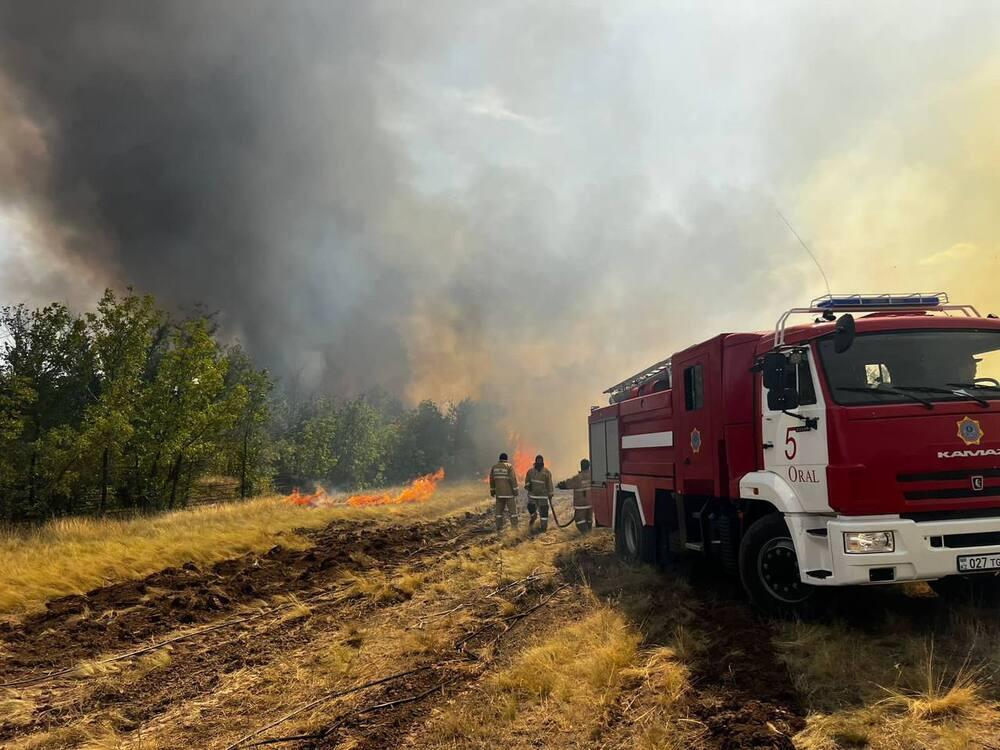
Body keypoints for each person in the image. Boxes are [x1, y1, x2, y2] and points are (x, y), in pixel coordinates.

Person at [558, 458, 593, 533]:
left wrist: (561, 485)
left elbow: (568, 484)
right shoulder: (593, 476)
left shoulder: (578, 477)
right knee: (589, 520)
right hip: (590, 504)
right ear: (589, 466)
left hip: (581, 505)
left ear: (581, 466)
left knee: (579, 521)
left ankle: (586, 536)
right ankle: (590, 533)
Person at [489, 452, 519, 532]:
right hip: (509, 494)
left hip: (499, 494)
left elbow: (491, 480)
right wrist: (516, 491)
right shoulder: (509, 466)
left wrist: (492, 491)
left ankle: (499, 527)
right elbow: (513, 479)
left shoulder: (494, 467)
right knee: (513, 512)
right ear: (506, 459)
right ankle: (515, 528)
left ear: (499, 459)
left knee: (499, 513)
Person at [524, 454, 554, 531]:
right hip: (532, 496)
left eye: (540, 461)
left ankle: (543, 528)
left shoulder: (547, 472)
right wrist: (528, 486)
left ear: (543, 462)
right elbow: (526, 483)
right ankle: (533, 518)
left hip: (543, 497)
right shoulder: (530, 472)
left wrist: (550, 494)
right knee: (531, 508)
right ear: (535, 462)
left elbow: (549, 484)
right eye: (538, 461)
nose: (539, 463)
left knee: (544, 515)